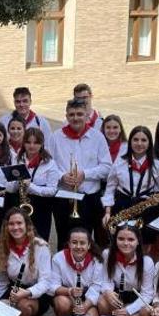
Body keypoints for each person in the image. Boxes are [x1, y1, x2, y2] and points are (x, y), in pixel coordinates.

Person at [48, 98, 112, 250]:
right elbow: (48, 166)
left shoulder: (97, 137)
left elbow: (107, 167)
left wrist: (85, 174)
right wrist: (62, 176)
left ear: (86, 116)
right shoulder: (55, 137)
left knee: (86, 242)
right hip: (64, 199)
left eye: (79, 114)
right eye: (71, 114)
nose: (75, 118)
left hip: (89, 199)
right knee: (64, 240)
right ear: (66, 116)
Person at [0, 208, 53, 316]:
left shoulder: (40, 246)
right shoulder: (3, 246)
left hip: (36, 293)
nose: (15, 227)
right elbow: (1, 280)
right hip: (13, 289)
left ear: (27, 225)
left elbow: (46, 281)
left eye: (19, 223)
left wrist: (26, 292)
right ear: (7, 227)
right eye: (11, 224)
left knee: (24, 303)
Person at [101, 126, 159, 257]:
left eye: (143, 140)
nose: (139, 144)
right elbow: (110, 188)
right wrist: (107, 211)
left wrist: (154, 201)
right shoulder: (120, 162)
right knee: (121, 245)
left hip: (145, 209)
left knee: (143, 247)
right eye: (135, 139)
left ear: (149, 143)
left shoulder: (157, 165)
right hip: (122, 205)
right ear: (130, 142)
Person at [97, 223, 155, 316]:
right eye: (121, 239)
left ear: (138, 241)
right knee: (101, 302)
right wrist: (107, 292)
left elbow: (147, 294)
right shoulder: (107, 254)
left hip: (135, 300)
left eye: (131, 239)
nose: (125, 243)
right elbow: (105, 280)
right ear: (115, 239)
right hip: (117, 295)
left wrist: (128, 310)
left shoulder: (146, 262)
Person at [51, 227, 104, 316]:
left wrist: (85, 306)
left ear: (89, 245)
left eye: (82, 243)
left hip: (87, 298)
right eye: (74, 242)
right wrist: (69, 291)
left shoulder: (97, 261)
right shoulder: (58, 258)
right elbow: (52, 286)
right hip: (67, 294)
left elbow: (97, 287)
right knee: (61, 303)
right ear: (69, 244)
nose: (78, 246)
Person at [17, 127, 59, 242]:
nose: (31, 146)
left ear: (42, 144)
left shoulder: (50, 164)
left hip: (41, 209)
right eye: (28, 142)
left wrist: (30, 186)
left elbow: (52, 191)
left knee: (39, 242)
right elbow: (10, 188)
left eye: (36, 142)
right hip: (21, 204)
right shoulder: (18, 160)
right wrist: (15, 182)